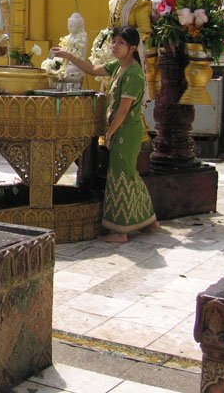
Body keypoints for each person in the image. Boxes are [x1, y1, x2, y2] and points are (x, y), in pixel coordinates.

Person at [52, 26, 158, 242]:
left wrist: (109, 133)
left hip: (126, 131)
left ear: (132, 48)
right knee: (128, 173)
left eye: (120, 43)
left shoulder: (134, 74)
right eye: (114, 41)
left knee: (120, 175)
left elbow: (123, 110)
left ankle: (119, 231)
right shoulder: (119, 67)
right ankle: (148, 220)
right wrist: (67, 55)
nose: (115, 46)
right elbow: (91, 69)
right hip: (122, 129)